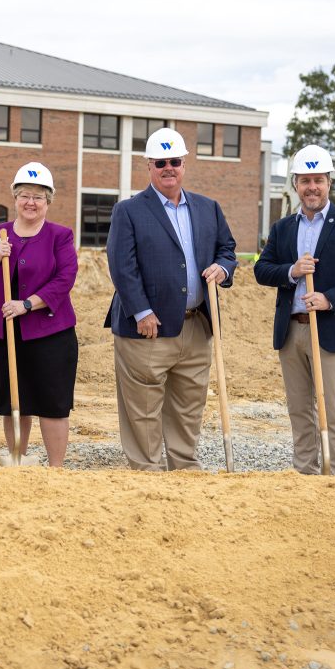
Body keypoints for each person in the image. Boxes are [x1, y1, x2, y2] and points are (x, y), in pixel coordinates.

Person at [105, 127, 237, 471]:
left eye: (175, 161)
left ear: (184, 164)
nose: (169, 168)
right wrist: (141, 311)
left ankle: (183, 467)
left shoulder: (208, 208)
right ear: (148, 165)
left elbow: (227, 249)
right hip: (148, 328)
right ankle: (147, 471)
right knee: (143, 407)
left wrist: (223, 268)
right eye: (161, 162)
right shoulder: (129, 211)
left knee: (188, 404)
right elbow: (122, 265)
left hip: (196, 325)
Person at [254, 144, 335, 476]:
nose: (312, 187)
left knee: (333, 408)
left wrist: (329, 298)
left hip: (331, 329)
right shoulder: (283, 229)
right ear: (295, 183)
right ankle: (304, 475)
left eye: (318, 180)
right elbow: (261, 270)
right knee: (299, 408)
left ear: (329, 182)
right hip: (291, 330)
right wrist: (291, 271)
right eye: (306, 180)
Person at [0, 163, 78, 466]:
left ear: (48, 202)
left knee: (52, 403)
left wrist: (27, 304)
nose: (31, 202)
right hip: (8, 332)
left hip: (51, 333)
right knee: (16, 399)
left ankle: (56, 469)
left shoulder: (60, 236)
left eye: (39, 197)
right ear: (15, 198)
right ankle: (18, 458)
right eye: (25, 195)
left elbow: (65, 279)